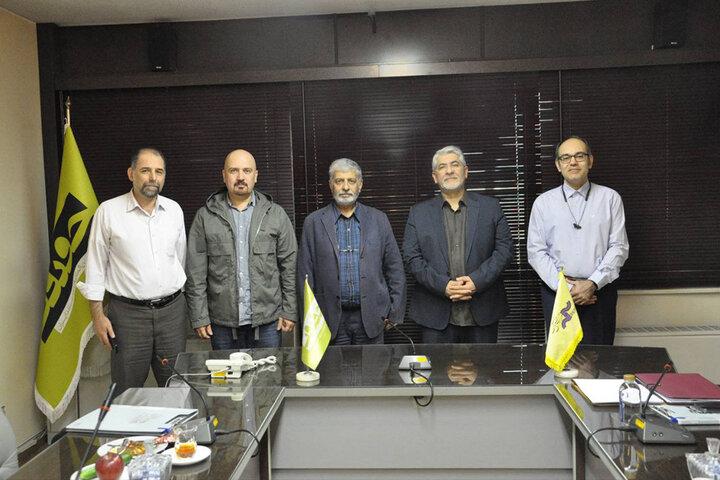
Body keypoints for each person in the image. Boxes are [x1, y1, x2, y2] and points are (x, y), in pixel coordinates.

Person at [78, 148, 187, 394]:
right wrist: (97, 316)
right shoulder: (108, 212)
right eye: (145, 170)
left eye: (159, 172)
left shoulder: (174, 211)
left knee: (176, 388)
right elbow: (95, 266)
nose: (153, 178)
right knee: (126, 391)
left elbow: (180, 259)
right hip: (128, 317)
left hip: (172, 314)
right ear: (131, 174)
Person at [186, 149, 297, 350]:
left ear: (256, 175)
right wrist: (199, 316)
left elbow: (289, 266)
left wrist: (289, 310)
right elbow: (196, 273)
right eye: (233, 171)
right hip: (222, 324)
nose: (240, 177)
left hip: (268, 322)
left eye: (247, 171)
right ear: (224, 175)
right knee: (227, 372)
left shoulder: (276, 215)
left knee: (268, 371)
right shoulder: (205, 217)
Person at [403, 145, 513, 343]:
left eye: (455, 164)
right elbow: (412, 258)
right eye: (442, 167)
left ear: (466, 171)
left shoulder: (491, 207)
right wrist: (443, 285)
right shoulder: (418, 213)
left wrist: (476, 282)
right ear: (435, 177)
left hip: (483, 310)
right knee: (437, 365)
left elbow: (504, 251)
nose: (449, 170)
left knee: (485, 364)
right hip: (434, 314)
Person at [527, 135, 629, 345]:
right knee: (562, 359)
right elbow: (536, 252)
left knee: (600, 358)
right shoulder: (543, 203)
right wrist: (565, 288)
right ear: (558, 165)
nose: (572, 162)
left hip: (599, 292)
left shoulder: (610, 198)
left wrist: (592, 283)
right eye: (565, 157)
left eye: (579, 156)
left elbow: (619, 247)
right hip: (558, 294)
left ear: (590, 161)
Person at [298, 158, 405, 345]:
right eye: (339, 181)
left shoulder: (379, 220)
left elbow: (395, 269)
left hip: (373, 318)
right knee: (333, 366)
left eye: (351, 181)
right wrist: (309, 320)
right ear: (331, 185)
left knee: (372, 365)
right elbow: (304, 277)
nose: (346, 187)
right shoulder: (313, 222)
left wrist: (395, 313)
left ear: (360, 185)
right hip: (328, 321)